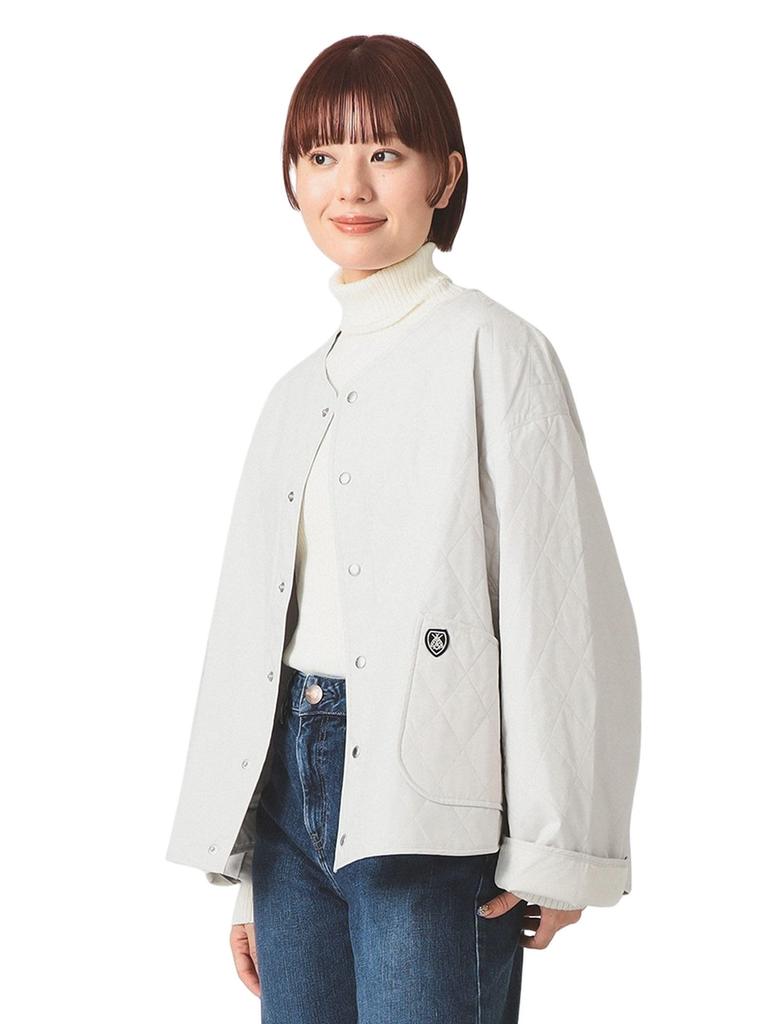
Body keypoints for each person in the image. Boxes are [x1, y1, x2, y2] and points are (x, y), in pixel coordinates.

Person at [166, 33, 642, 1024]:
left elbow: (559, 606)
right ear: (293, 179)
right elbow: (254, 637)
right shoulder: (293, 394)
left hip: (433, 800)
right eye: (321, 154)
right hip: (289, 804)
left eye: (385, 152)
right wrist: (251, 874)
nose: (351, 185)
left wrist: (557, 845)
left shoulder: (494, 350)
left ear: (444, 176)